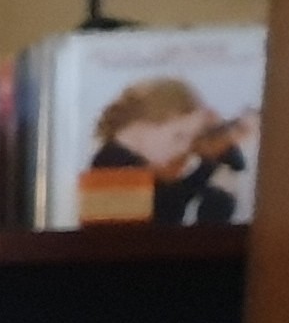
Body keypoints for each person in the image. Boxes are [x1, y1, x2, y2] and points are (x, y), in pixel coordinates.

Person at [87, 75, 255, 225]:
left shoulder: (120, 159)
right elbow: (163, 220)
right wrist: (213, 182)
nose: (185, 148)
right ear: (143, 124)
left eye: (190, 138)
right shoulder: (111, 165)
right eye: (178, 136)